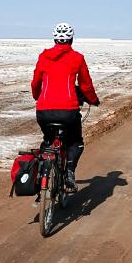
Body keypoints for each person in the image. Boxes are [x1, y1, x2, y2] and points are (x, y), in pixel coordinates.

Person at [31, 22, 100, 192]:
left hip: (44, 111)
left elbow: (35, 83)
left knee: (48, 141)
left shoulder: (43, 57)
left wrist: (37, 98)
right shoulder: (77, 58)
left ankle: (42, 173)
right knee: (75, 142)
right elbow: (85, 86)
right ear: (71, 39)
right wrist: (93, 100)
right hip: (68, 112)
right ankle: (69, 171)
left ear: (55, 39)